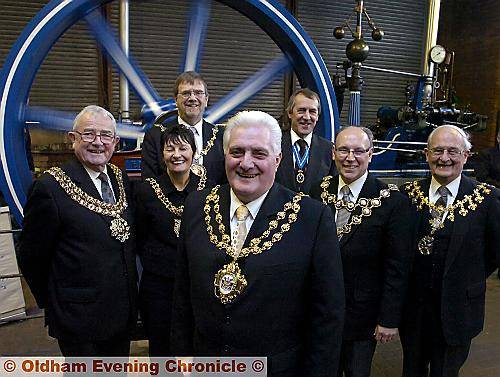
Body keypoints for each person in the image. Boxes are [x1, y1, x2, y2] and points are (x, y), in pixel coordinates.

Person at [171, 110, 345, 376]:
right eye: (237, 152)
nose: (246, 163)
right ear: (224, 155)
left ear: (277, 160)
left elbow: (327, 316)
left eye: (259, 154)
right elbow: (183, 295)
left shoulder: (312, 218)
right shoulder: (196, 206)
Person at [18, 105, 137, 356]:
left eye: (105, 136)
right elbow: (31, 257)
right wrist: (57, 304)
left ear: (115, 142)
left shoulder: (119, 178)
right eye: (89, 134)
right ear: (73, 139)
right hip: (78, 320)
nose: (98, 142)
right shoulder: (50, 188)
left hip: (120, 314)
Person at [310, 126, 413, 377]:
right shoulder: (316, 192)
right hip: (320, 312)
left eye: (358, 151)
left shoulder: (392, 201)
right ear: (333, 153)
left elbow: (398, 266)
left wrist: (389, 318)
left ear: (371, 153)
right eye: (343, 150)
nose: (350, 157)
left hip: (363, 316)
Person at [400, 125, 500, 377]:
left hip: (459, 311)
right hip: (414, 312)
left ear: (466, 156)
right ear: (426, 154)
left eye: (453, 151)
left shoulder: (487, 200)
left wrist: (468, 275)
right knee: (411, 370)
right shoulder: (407, 196)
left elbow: (494, 254)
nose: (444, 158)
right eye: (438, 151)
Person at [135, 124, 213, 356]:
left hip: (196, 284)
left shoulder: (207, 191)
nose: (177, 155)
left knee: (197, 345)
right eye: (170, 149)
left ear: (194, 152)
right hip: (158, 286)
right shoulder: (145, 191)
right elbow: (139, 238)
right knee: (161, 347)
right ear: (162, 154)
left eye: (183, 148)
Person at [141, 71, 225, 184]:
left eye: (198, 93)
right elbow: (149, 182)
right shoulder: (156, 135)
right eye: (186, 93)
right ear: (176, 100)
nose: (192, 98)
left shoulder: (221, 135)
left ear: (206, 100)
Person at [275, 88, 336, 194]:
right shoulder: (274, 145)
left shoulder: (329, 149)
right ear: (290, 113)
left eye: (312, 112)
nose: (307, 117)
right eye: (301, 110)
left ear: (317, 116)